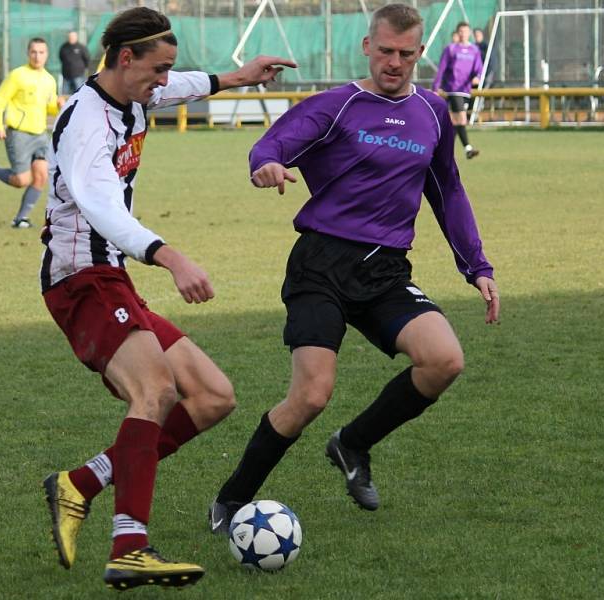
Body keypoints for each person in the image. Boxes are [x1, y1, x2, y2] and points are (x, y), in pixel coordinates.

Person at [209, 3, 500, 535]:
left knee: (444, 361)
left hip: (385, 270)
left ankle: (353, 443)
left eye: (406, 54)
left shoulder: (433, 112)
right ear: (367, 46)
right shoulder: (336, 105)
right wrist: (266, 166)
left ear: (418, 54)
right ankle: (231, 499)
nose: (394, 62)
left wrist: (475, 264)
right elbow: (271, 144)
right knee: (311, 395)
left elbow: (448, 191)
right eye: (385, 50)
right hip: (322, 264)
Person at [38, 7, 295, 591]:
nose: (163, 79)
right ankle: (129, 546)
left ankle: (80, 483)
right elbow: (103, 207)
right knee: (156, 390)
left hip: (111, 278)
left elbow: (178, 87)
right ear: (124, 59)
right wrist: (171, 257)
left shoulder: (133, 92)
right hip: (81, 276)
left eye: (167, 70)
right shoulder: (86, 122)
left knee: (211, 397)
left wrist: (237, 77)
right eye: (156, 69)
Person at [0, 38, 63, 228]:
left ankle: (21, 218)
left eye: (41, 52)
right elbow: (0, 99)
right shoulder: (18, 75)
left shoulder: (49, 80)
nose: (37, 56)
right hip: (18, 134)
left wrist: (57, 106)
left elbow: (48, 108)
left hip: (40, 135)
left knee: (41, 175)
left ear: (47, 55)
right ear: (28, 54)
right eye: (34, 52)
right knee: (21, 180)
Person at [433, 21, 484, 159]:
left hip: (466, 90)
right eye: (460, 31)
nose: (463, 34)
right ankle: (468, 148)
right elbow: (442, 69)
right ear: (457, 33)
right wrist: (436, 86)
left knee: (455, 121)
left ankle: (443, 150)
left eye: (465, 31)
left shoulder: (474, 50)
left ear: (469, 33)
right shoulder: (451, 49)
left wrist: (477, 77)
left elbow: (479, 68)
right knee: (461, 118)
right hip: (453, 89)